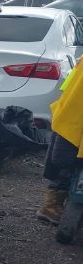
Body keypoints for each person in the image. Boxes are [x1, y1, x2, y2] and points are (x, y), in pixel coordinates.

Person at [37, 58, 83, 224]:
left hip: (68, 117)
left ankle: (52, 205)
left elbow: (66, 87)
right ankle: (52, 206)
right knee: (66, 163)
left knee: (63, 164)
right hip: (72, 120)